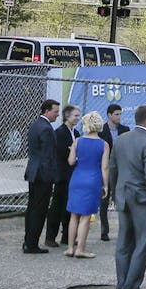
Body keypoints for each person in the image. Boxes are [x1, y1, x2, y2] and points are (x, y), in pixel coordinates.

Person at [111, 104, 146, 289]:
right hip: (142, 198)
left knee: (124, 243)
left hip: (123, 196)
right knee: (143, 242)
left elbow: (113, 168)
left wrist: (116, 194)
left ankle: (122, 284)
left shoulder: (121, 140)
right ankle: (131, 287)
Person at [65, 111, 109, 258]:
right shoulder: (104, 144)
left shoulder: (77, 141)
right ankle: (81, 249)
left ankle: (70, 248)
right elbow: (104, 167)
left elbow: (71, 162)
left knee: (73, 215)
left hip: (77, 179)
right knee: (85, 217)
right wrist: (106, 185)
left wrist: (73, 152)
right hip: (93, 180)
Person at [22, 99, 61, 254]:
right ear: (46, 111)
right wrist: (52, 176)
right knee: (39, 209)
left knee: (32, 207)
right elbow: (48, 156)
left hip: (33, 172)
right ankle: (32, 244)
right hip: (42, 175)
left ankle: (28, 241)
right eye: (55, 112)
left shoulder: (35, 125)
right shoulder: (46, 129)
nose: (57, 115)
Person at [47, 104, 80, 248]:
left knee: (70, 207)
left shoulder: (77, 133)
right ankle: (50, 237)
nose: (77, 118)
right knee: (57, 206)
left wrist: (73, 152)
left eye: (78, 116)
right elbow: (62, 153)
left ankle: (67, 236)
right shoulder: (60, 133)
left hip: (73, 174)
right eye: (75, 115)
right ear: (67, 116)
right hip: (62, 175)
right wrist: (72, 152)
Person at [96, 104, 129, 242]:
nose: (119, 117)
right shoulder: (101, 131)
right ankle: (104, 230)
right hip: (106, 168)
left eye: (120, 114)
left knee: (121, 199)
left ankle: (124, 230)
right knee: (104, 199)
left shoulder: (125, 130)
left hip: (121, 169)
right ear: (109, 115)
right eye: (116, 114)